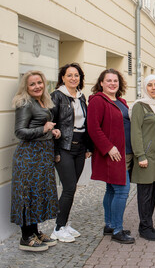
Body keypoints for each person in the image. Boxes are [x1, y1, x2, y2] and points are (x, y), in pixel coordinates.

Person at [10, 70, 60, 252]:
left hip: (42, 156)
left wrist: (51, 131)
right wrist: (43, 128)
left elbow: (41, 126)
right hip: (29, 156)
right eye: (32, 84)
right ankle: (26, 236)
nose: (37, 86)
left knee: (37, 194)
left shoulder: (42, 101)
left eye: (39, 82)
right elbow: (20, 132)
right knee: (27, 195)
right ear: (26, 87)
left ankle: (35, 231)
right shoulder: (25, 103)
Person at [87, 68, 134, 244]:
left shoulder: (120, 101)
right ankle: (117, 229)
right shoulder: (98, 101)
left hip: (124, 152)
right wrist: (108, 147)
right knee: (122, 190)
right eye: (109, 81)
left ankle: (109, 224)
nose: (112, 83)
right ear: (101, 83)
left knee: (111, 190)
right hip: (113, 154)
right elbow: (93, 128)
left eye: (115, 81)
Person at [50, 63, 93, 243]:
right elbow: (51, 124)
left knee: (71, 188)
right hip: (64, 147)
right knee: (69, 188)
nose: (73, 78)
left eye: (76, 75)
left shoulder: (82, 98)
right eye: (70, 75)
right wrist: (55, 151)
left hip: (79, 147)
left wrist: (88, 147)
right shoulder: (57, 96)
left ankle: (65, 223)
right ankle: (58, 228)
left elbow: (87, 123)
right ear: (63, 77)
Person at [130, 75, 155, 241]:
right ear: (145, 88)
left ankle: (148, 224)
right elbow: (136, 132)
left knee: (153, 192)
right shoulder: (140, 106)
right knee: (144, 194)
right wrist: (140, 155)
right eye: (150, 85)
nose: (154, 88)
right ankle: (144, 228)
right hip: (145, 156)